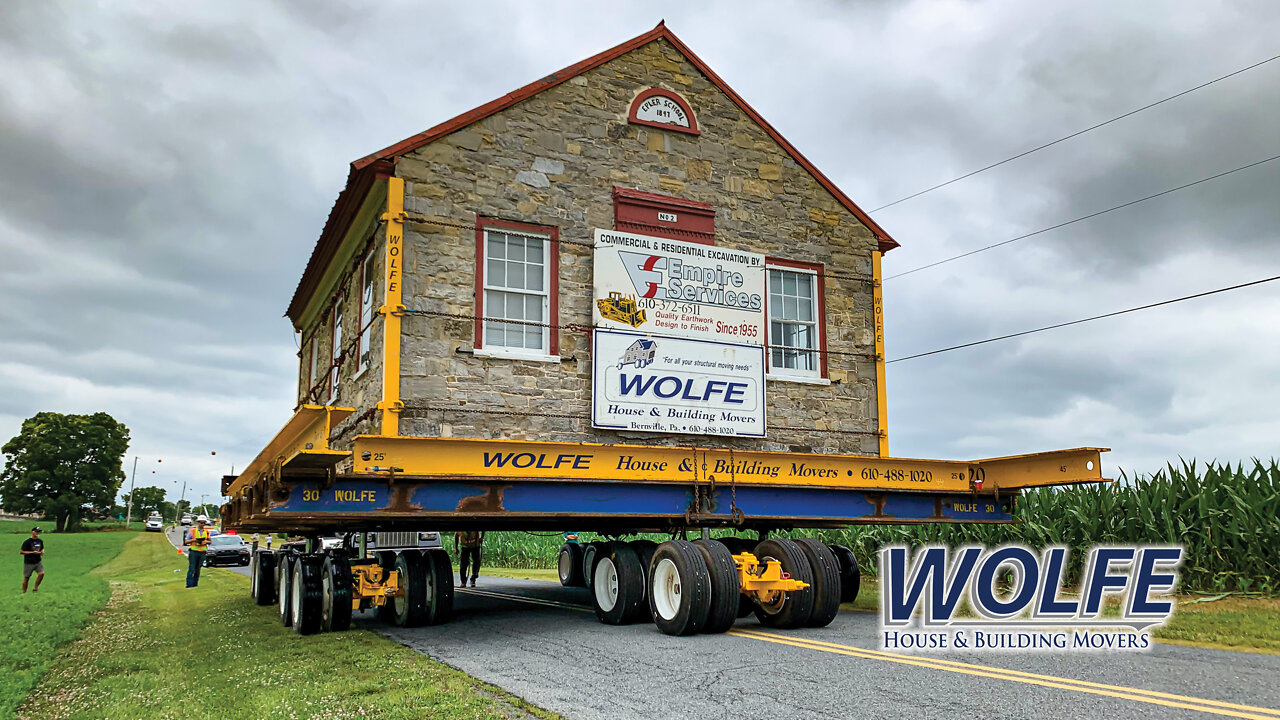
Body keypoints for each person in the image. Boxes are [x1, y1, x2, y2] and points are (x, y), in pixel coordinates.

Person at [183, 516, 212, 588]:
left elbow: (210, 541)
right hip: (194, 552)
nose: (202, 524)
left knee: (198, 569)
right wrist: (194, 540)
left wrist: (205, 541)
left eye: (204, 523)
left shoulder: (207, 532)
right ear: (198, 523)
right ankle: (189, 584)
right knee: (192, 568)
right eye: (201, 523)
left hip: (202, 552)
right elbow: (186, 541)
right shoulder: (192, 531)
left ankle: (195, 584)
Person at [20, 527, 45, 593]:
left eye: (38, 532)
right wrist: (32, 552)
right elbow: (22, 552)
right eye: (36, 532)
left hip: (38, 561)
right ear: (32, 532)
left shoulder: (40, 541)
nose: (37, 533)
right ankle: (24, 592)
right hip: (29, 562)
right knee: (27, 577)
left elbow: (42, 548)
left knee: (41, 573)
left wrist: (42, 551)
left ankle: (35, 588)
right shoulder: (27, 542)